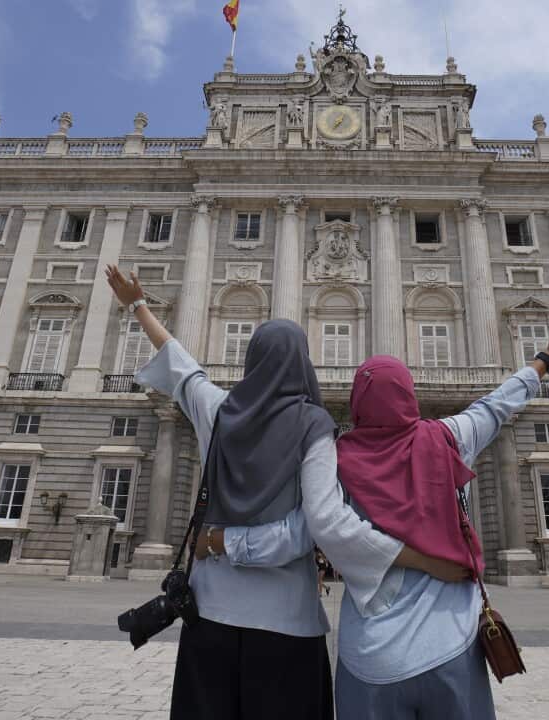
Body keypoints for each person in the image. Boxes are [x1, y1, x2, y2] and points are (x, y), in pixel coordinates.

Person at [108, 265, 466, 720]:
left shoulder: (219, 411)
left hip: (210, 620)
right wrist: (234, 544)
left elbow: (181, 366)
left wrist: (137, 305)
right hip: (286, 625)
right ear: (302, 363)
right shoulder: (315, 428)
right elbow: (307, 530)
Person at [322, 319, 549, 719]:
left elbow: (332, 534)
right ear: (408, 395)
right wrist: (548, 356)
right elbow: (497, 404)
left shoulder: (335, 462)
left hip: (369, 657)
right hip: (450, 647)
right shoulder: (448, 437)